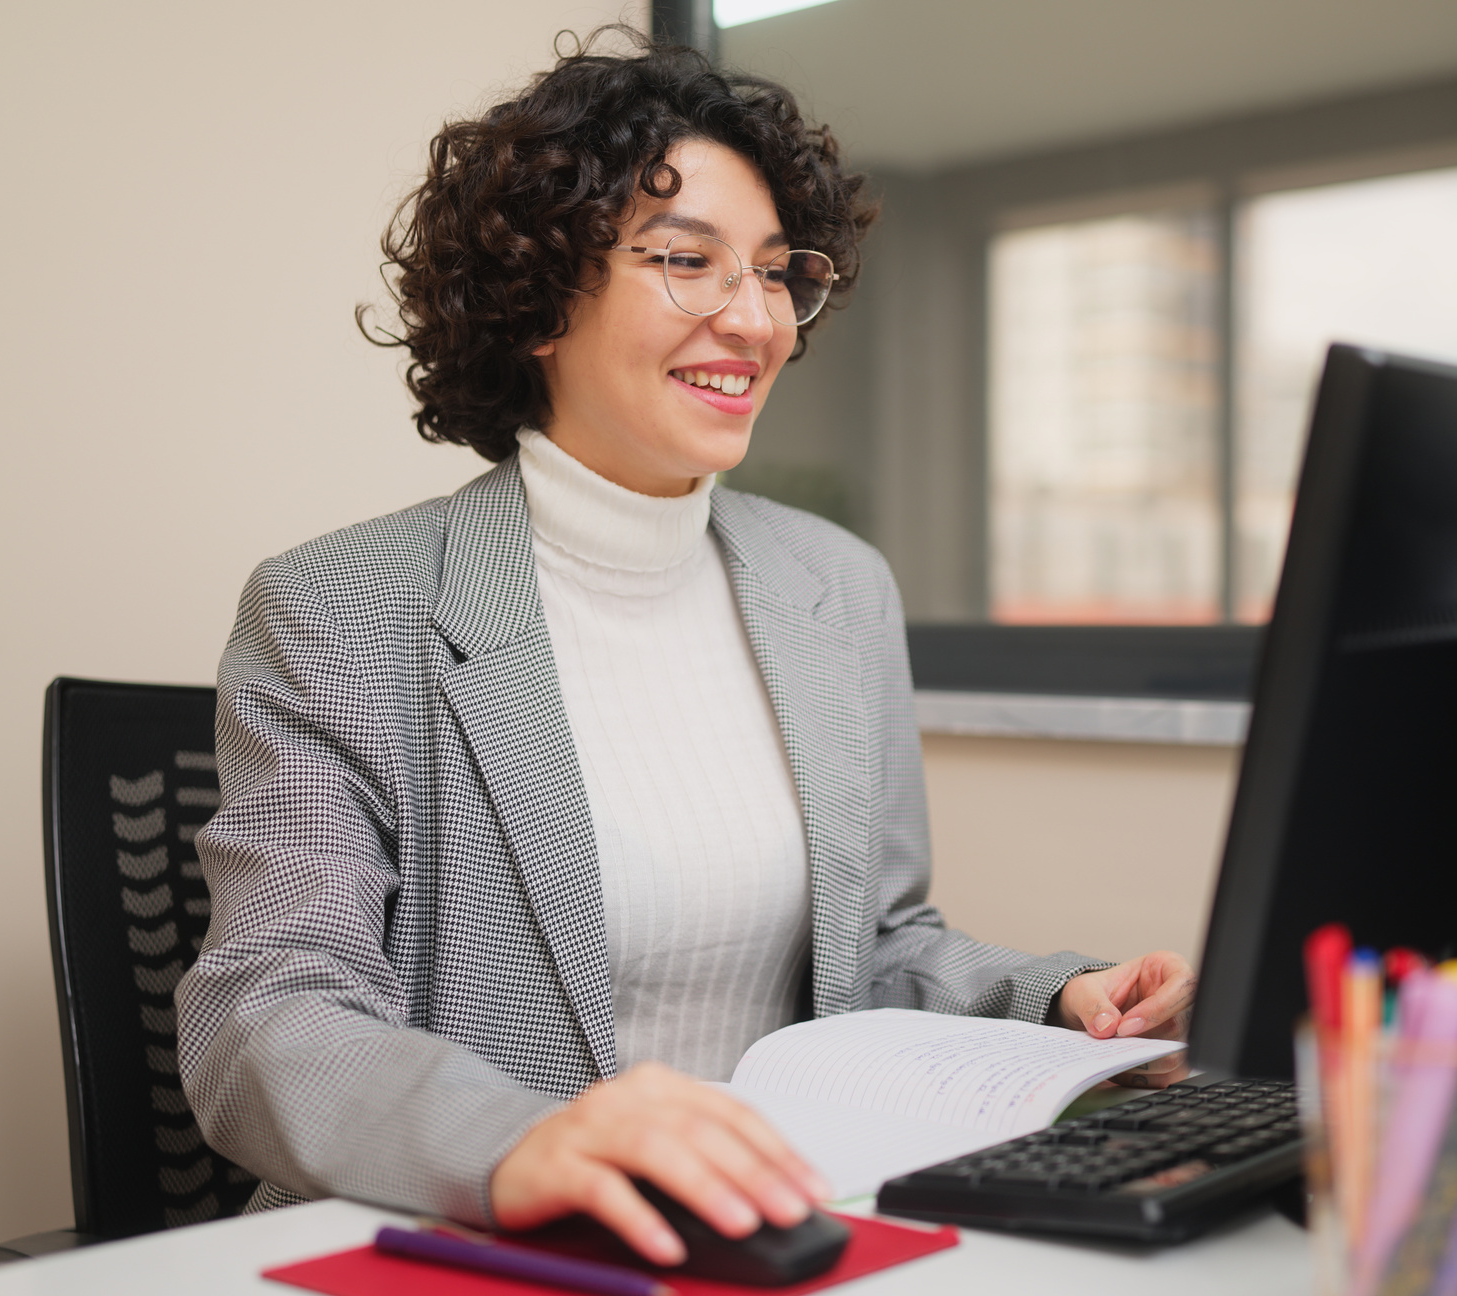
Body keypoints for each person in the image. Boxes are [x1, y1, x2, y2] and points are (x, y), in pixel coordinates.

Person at [174, 29, 1197, 1266]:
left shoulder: (835, 588)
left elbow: (875, 948)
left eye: (776, 273)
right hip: (478, 1248)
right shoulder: (339, 608)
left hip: (781, 1236)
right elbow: (265, 1020)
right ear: (540, 296)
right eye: (686, 262)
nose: (754, 318)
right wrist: (517, 1143)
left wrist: (1056, 1000)